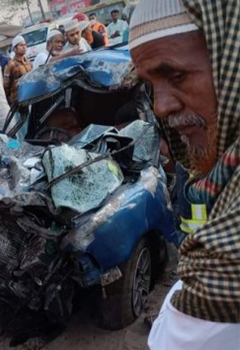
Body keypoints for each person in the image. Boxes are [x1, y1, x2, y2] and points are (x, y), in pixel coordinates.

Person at [129, 0, 240, 349]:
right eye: (150, 85)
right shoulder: (218, 179)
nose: (160, 106)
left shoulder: (225, 267)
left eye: (176, 75)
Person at [3, 35, 32, 105]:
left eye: (25, 45)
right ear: (15, 48)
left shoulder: (28, 62)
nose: (24, 47)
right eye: (21, 45)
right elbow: (6, 86)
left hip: (30, 96)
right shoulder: (10, 65)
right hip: (18, 100)